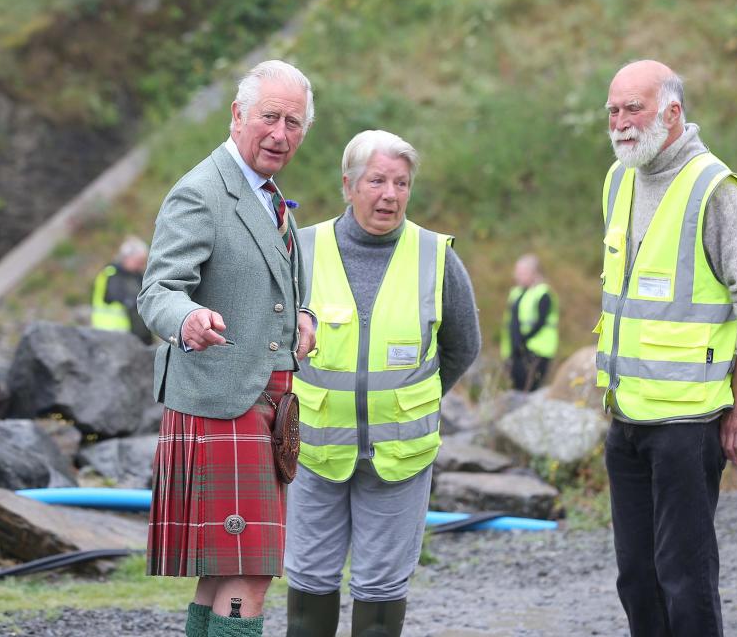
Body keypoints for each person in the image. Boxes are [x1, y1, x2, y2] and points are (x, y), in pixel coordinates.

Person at [595, 59, 737, 637]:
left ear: (673, 112)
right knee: (636, 578)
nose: (622, 123)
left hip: (688, 422)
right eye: (613, 110)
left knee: (684, 575)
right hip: (626, 416)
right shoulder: (618, 178)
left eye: (635, 108)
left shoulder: (717, 191)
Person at [136, 60, 317, 637]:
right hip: (222, 399)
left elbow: (275, 291)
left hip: (263, 401)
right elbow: (158, 289)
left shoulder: (266, 193)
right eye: (270, 117)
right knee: (251, 572)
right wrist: (187, 317)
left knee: (223, 573)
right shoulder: (201, 191)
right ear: (237, 115)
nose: (280, 133)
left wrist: (303, 319)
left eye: (293, 122)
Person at [284, 130, 481, 637]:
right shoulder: (300, 250)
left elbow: (464, 346)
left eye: (401, 183)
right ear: (348, 185)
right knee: (308, 577)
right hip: (314, 451)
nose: (389, 195)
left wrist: (413, 400)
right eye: (376, 181)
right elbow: (271, 339)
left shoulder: (436, 257)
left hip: (401, 457)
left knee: (382, 589)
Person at [499, 253, 559, 391]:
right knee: (516, 389)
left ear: (534, 273)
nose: (516, 275)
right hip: (516, 351)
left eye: (521, 272)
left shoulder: (543, 294)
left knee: (529, 389)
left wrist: (523, 340)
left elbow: (540, 322)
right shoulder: (517, 293)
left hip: (537, 351)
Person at [91, 236, 153, 344]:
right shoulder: (112, 274)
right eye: (139, 261)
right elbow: (117, 296)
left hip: (137, 334)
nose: (142, 265)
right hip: (112, 333)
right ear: (127, 258)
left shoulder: (136, 275)